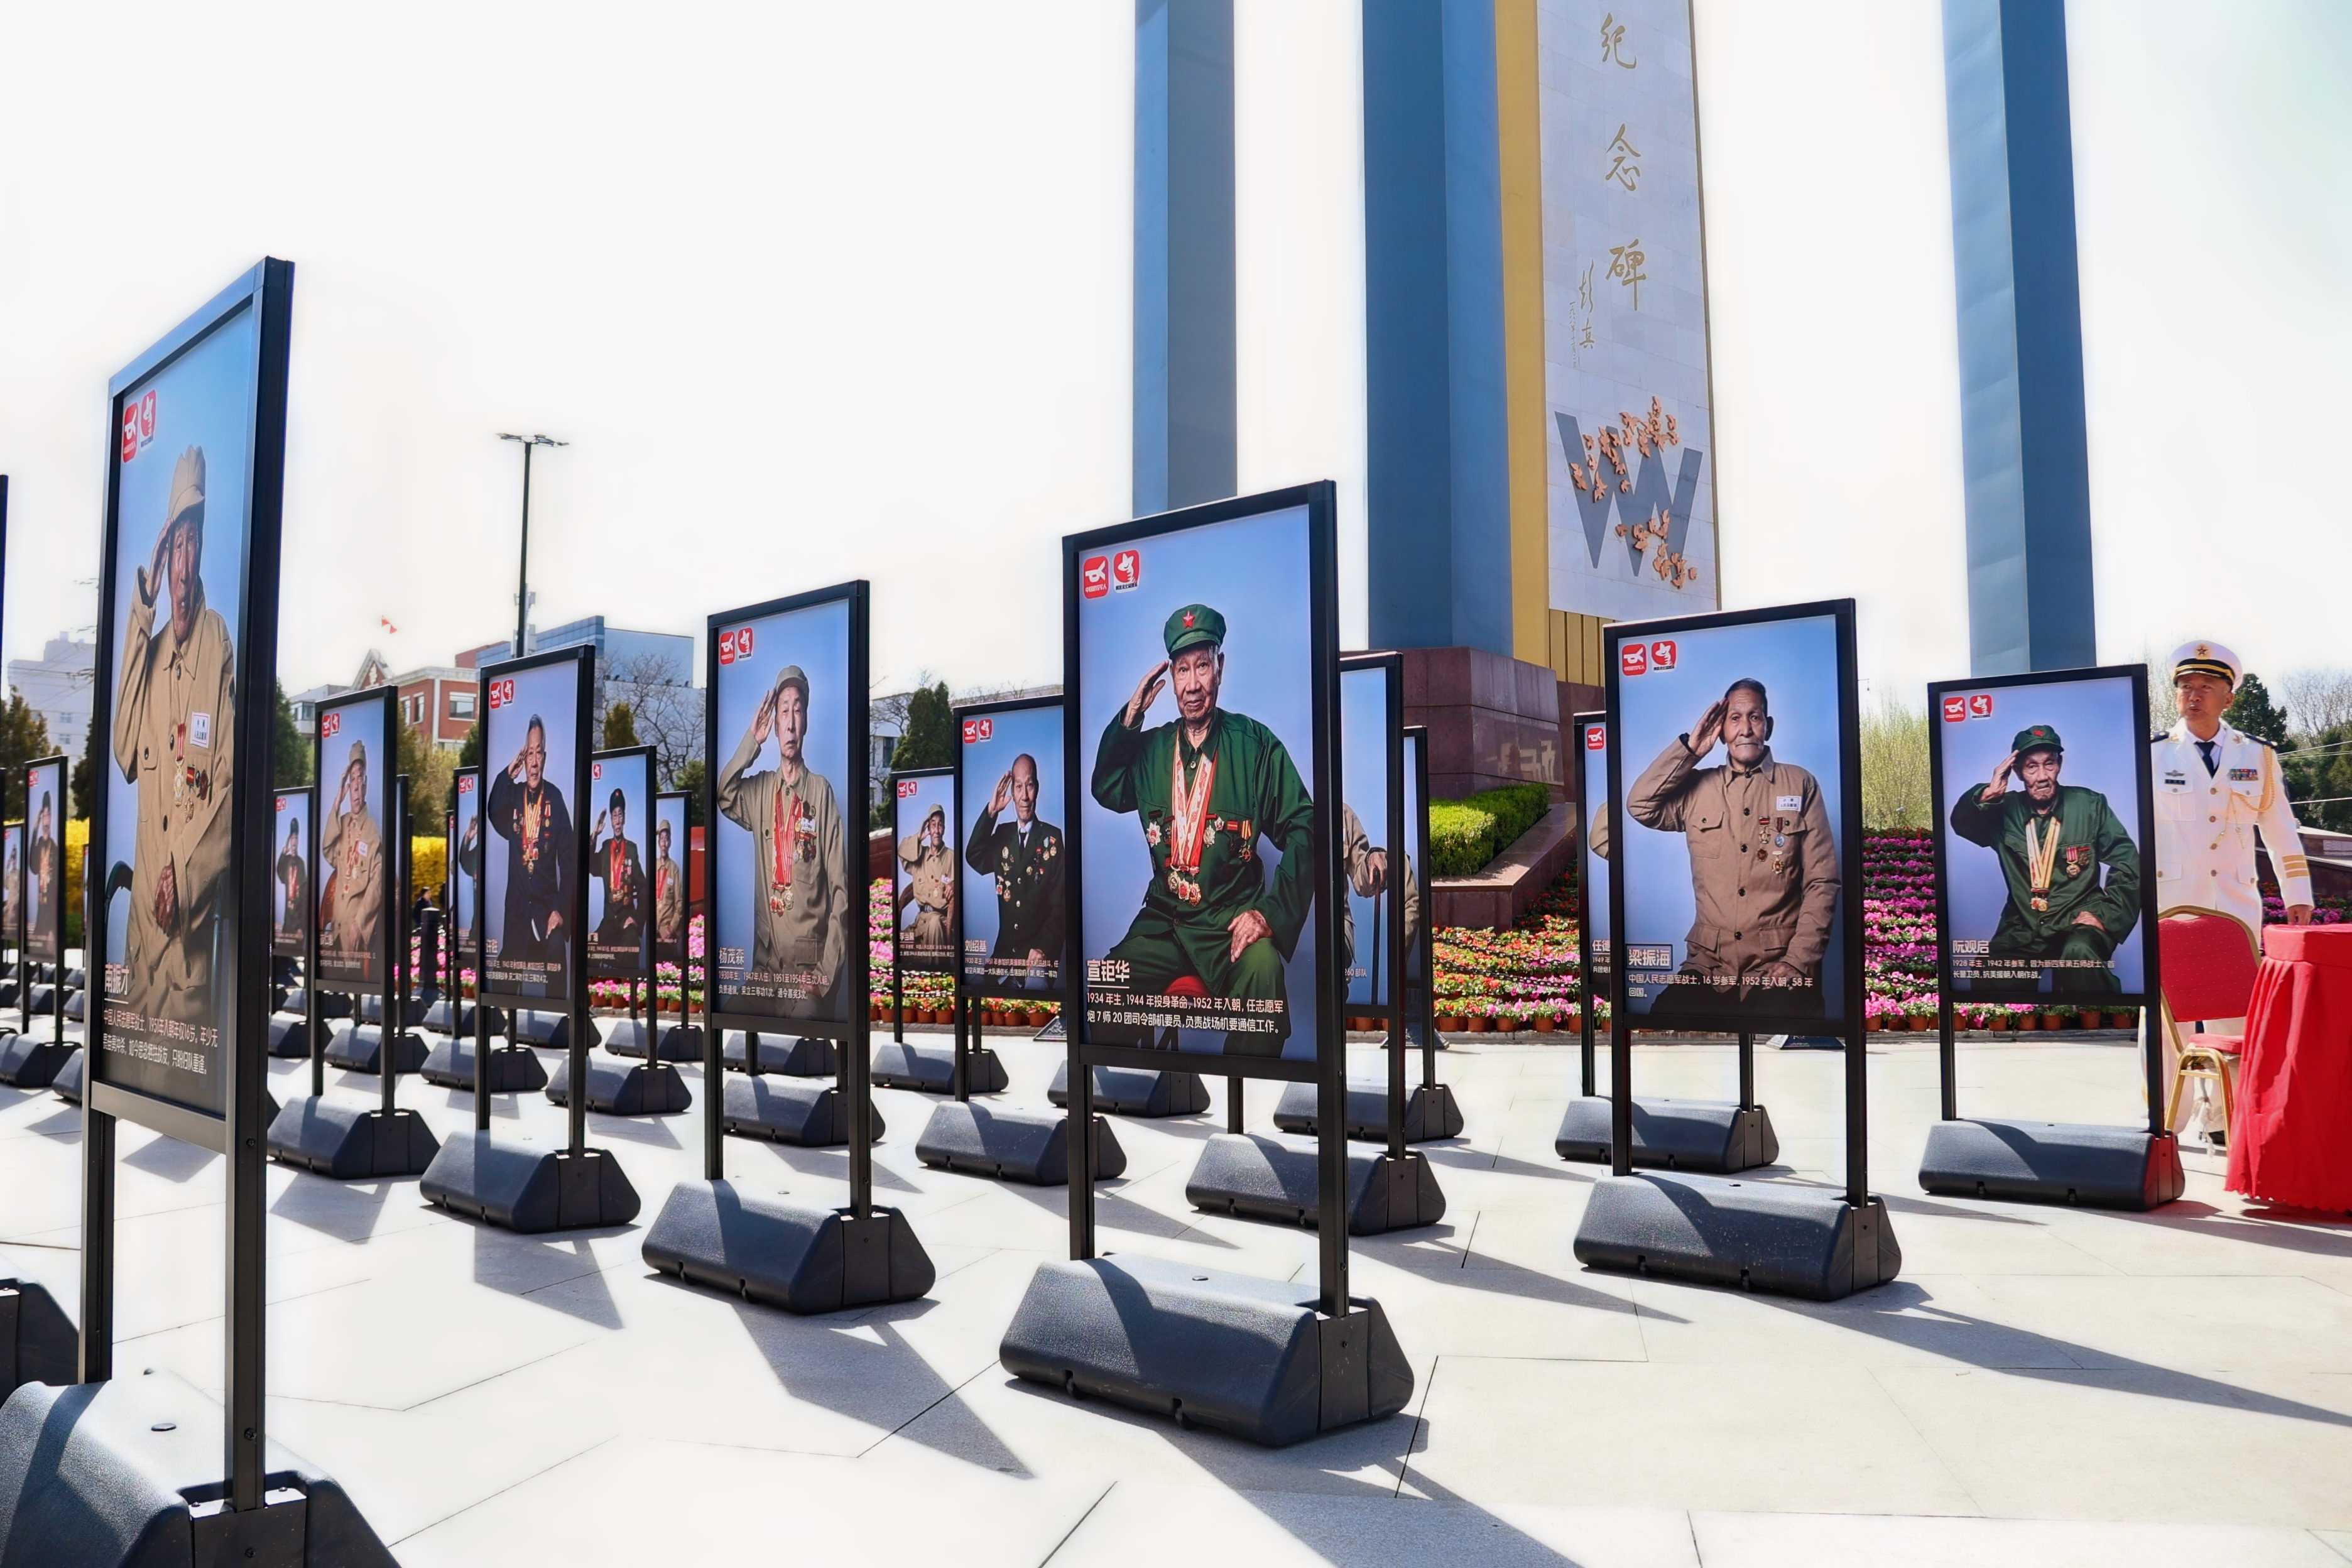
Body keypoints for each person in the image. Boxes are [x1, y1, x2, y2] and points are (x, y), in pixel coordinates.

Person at [1090, 603, 1316, 1056]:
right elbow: (1106, 788)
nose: (1192, 684)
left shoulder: (1254, 746)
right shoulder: (1152, 750)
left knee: (1264, 973)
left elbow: (1305, 827)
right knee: (1107, 989)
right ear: (1172, 679)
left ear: (1220, 669)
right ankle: (1140, 1087)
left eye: (1202, 667)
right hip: (1165, 924)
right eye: (1182, 670)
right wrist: (1130, 720)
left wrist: (1269, 914)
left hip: (1228, 922)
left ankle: (1243, 1091)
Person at [2151, 640, 2314, 1144]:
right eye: (2185, 687)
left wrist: (2297, 893)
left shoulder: (2256, 755)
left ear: (2229, 697)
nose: (2193, 695)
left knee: (2237, 1015)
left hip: (2234, 903)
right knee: (2165, 1020)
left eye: (2206, 687)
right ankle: (2161, 1121)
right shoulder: (2150, 753)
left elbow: (2281, 828)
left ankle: (2226, 1120)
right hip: (2170, 903)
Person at [111, 446, 236, 1027]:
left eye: (194, 543)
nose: (184, 568)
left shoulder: (218, 644)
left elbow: (227, 786)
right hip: (143, 957)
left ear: (204, 549)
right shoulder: (152, 651)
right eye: (176, 545)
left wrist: (181, 873)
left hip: (187, 961)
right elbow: (123, 749)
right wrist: (144, 609)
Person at [1626, 678, 1839, 1011]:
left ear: (1768, 726)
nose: (1745, 729)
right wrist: (1691, 751)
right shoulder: (1698, 788)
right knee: (1665, 1017)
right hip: (1709, 967)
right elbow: (1640, 805)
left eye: (1755, 717)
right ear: (1722, 730)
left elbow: (1822, 882)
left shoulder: (1800, 784)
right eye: (1735, 718)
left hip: (1776, 964)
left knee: (1786, 1021)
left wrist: (1797, 961)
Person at [1948, 724, 2139, 994]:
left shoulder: (2090, 805)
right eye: (2031, 767)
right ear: (2017, 772)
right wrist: (1986, 794)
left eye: (2049, 764)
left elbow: (2128, 863)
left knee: (2079, 955)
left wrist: (2107, 916)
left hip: (2077, 920)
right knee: (1992, 973)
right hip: (2023, 924)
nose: (2042, 776)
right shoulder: (2001, 810)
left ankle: (2104, 1018)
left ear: (2059, 765)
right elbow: (1962, 825)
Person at [717, 665, 846, 1016]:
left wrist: (825, 974)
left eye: (798, 711)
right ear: (775, 724)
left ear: (806, 723)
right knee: (728, 1018)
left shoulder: (821, 792)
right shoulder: (760, 791)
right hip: (767, 972)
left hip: (806, 973)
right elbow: (724, 795)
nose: (790, 723)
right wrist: (751, 742)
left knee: (806, 1023)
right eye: (784, 711)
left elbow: (841, 891)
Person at [486, 714, 574, 986]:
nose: (534, 762)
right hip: (518, 910)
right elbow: (493, 812)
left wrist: (560, 910)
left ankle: (560, 1013)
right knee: (503, 983)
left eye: (539, 753)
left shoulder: (555, 798)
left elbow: (569, 863)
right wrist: (507, 775)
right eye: (530, 754)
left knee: (557, 956)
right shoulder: (514, 795)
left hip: (547, 910)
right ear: (524, 759)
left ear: (544, 758)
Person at [966, 752, 1064, 990]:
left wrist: (1043, 948)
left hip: (1035, 956)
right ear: (1012, 792)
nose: (1024, 796)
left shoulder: (1052, 838)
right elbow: (974, 857)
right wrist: (991, 812)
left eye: (1029, 786)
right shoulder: (1003, 834)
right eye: (1018, 787)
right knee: (975, 991)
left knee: (1036, 989)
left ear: (1037, 788)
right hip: (1003, 957)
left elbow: (1061, 905)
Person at [319, 740, 384, 974]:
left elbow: (377, 884)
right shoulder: (342, 822)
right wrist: (336, 803)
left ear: (366, 785)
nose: (356, 786)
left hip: (355, 936)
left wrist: (360, 925)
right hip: (336, 931)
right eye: (352, 779)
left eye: (360, 779)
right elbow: (328, 852)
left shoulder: (373, 832)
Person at [1339, 802, 1420, 981]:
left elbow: (1362, 879)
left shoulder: (1340, 813)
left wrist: (1373, 858)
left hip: (1334, 942)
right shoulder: (1282, 806)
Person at [589, 787, 646, 957]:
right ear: (611, 821)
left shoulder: (632, 849)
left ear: (624, 818)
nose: (618, 821)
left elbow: (644, 888)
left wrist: (636, 919)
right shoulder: (606, 847)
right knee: (590, 951)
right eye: (614, 816)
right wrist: (595, 835)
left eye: (620, 815)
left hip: (625, 920)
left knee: (631, 946)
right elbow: (590, 867)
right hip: (608, 921)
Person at [895, 802, 955, 963]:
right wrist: (919, 837)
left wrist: (955, 884)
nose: (937, 830)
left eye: (940, 825)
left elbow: (963, 884)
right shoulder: (919, 855)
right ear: (928, 828)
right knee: (895, 946)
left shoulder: (951, 857)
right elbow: (900, 851)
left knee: (935, 923)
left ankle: (937, 974)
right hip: (920, 923)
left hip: (940, 922)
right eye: (933, 825)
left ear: (944, 829)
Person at [653, 817, 685, 955]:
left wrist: (671, 929)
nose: (664, 843)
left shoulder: (674, 869)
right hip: (652, 931)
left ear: (670, 842)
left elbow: (680, 904)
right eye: (661, 839)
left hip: (667, 933)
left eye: (667, 839)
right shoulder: (652, 865)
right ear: (658, 842)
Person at [28, 793, 57, 942]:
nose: (46, 819)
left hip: (51, 903)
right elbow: (33, 868)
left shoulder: (55, 847)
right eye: (44, 816)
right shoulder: (39, 844)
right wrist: (35, 829)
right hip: (41, 901)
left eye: (48, 815)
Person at [276, 816, 307, 940]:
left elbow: (304, 895)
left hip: (298, 920)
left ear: (298, 841)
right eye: (292, 838)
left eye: (296, 838)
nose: (294, 841)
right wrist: (283, 854)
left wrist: (301, 926)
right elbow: (280, 874)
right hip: (288, 918)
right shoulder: (287, 861)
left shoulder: (301, 863)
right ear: (290, 841)